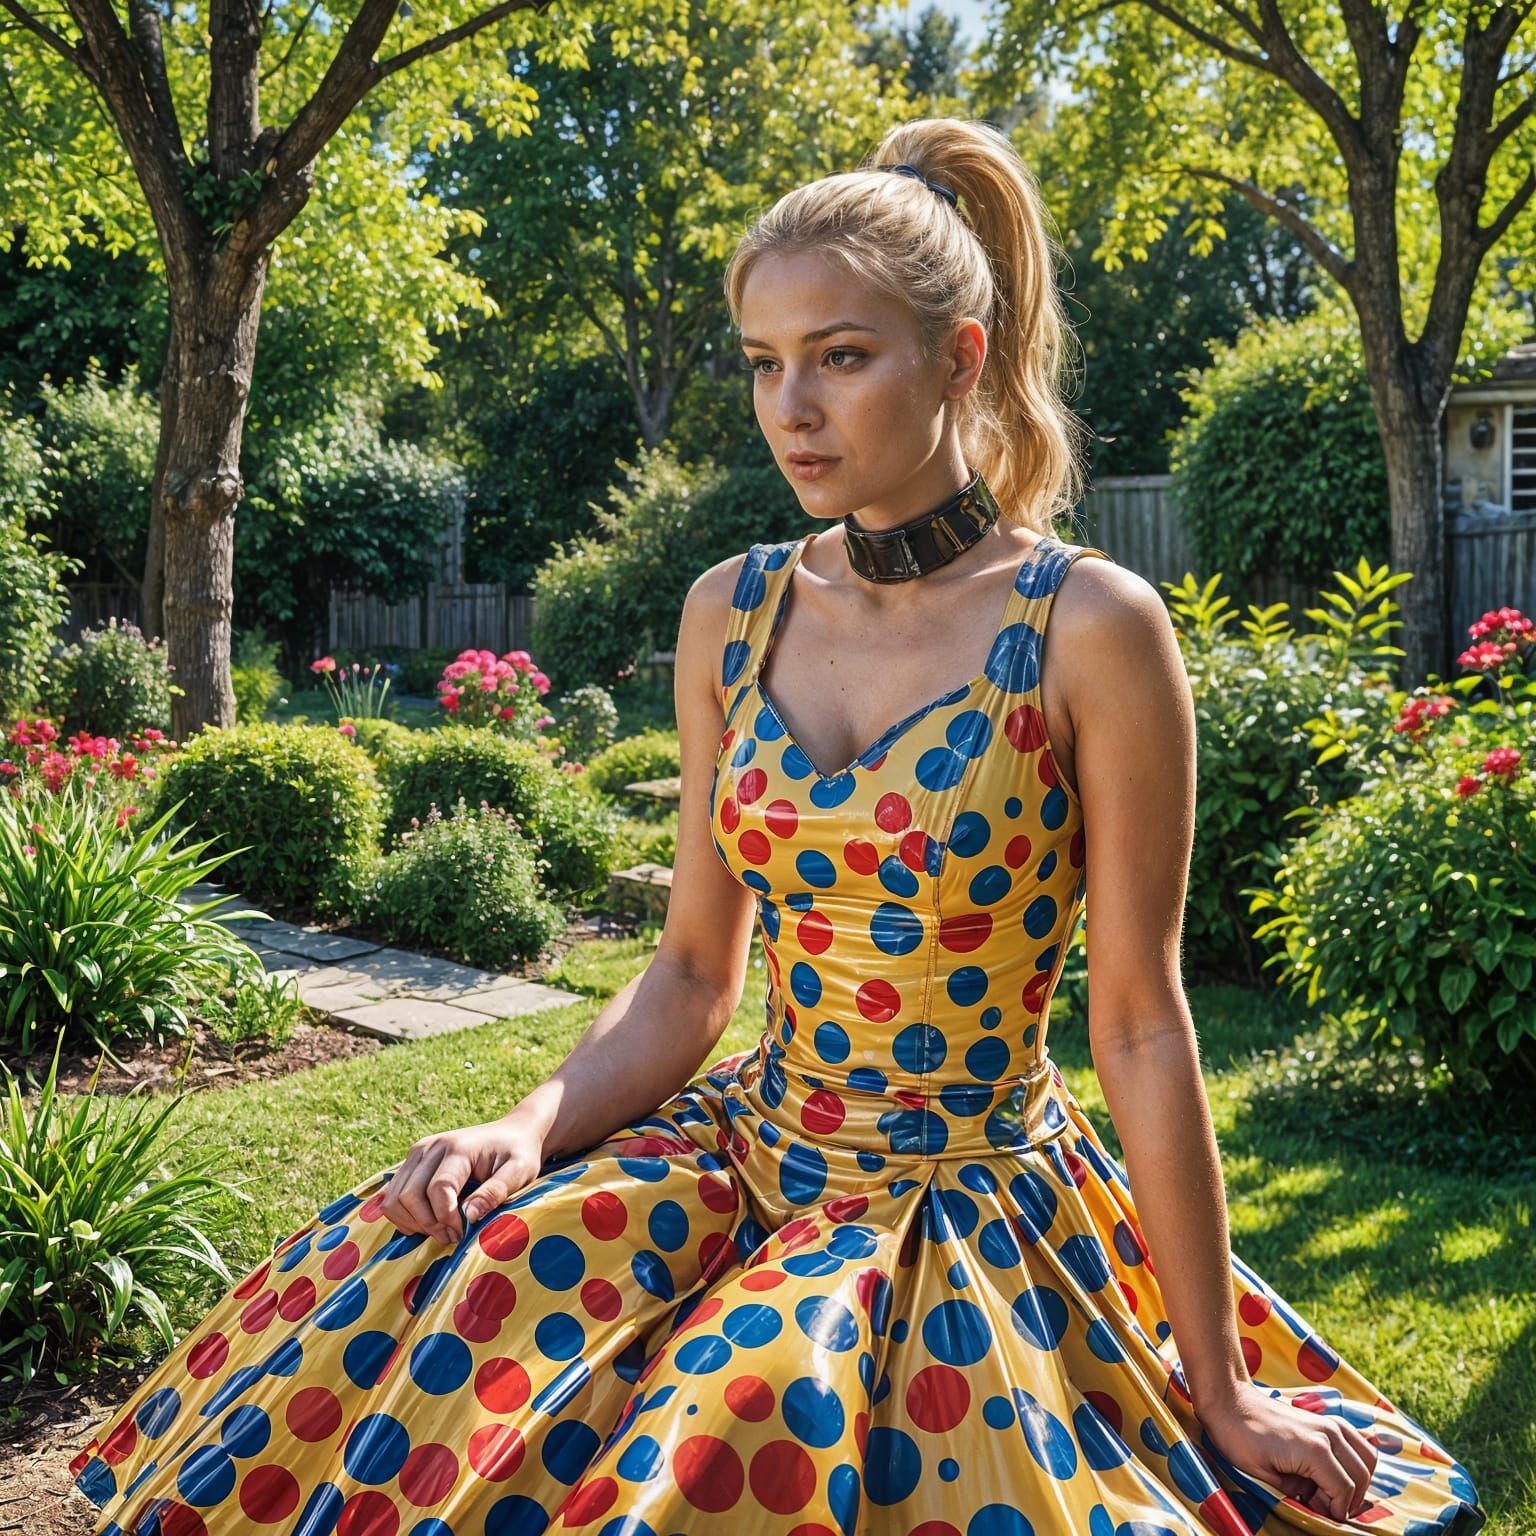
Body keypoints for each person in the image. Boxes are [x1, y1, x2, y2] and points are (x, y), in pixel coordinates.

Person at [70, 116, 1487, 1536]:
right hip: (743, 1154)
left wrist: (1223, 1388)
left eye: (841, 355)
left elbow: (1138, 1023)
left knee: (753, 1414)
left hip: (965, 1214)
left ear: (961, 357)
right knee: (453, 1297)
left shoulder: (1091, 627)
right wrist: (529, 1119)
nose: (789, 406)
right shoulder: (728, 610)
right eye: (763, 361)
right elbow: (694, 972)